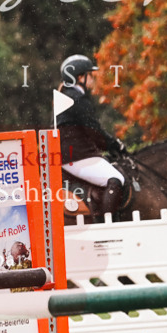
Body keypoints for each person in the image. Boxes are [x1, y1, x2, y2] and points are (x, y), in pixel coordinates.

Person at [55, 54, 128, 215]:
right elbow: (94, 132)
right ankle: (107, 226)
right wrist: (116, 145)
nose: (93, 80)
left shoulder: (66, 96)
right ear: (80, 77)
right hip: (78, 157)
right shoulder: (77, 98)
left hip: (73, 155)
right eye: (90, 76)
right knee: (116, 180)